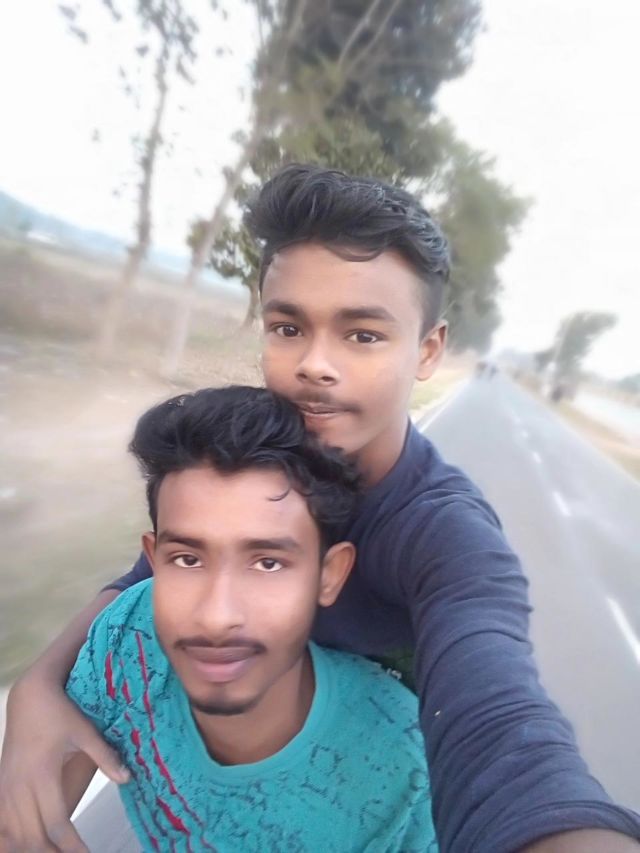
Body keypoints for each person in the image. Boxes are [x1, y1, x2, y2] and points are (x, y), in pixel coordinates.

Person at [2, 165, 639, 853]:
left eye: (361, 335)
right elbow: (148, 576)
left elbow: (502, 734)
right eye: (288, 327)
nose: (315, 364)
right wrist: (39, 685)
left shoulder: (445, 535)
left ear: (428, 350)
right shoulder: (263, 457)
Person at [60, 386, 436, 851]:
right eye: (188, 559)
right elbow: (31, 808)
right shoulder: (128, 635)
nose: (216, 618)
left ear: (329, 575)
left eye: (268, 564)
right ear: (155, 561)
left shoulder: (408, 781)